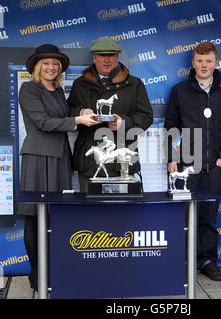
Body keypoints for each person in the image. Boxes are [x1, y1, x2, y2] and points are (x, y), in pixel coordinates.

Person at [18, 44, 99, 290]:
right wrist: (77, 119)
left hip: (60, 158)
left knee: (55, 217)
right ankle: (36, 273)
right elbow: (43, 122)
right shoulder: (29, 89)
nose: (51, 67)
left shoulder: (57, 91)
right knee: (34, 217)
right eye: (46, 63)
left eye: (55, 64)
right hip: (38, 158)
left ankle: (53, 268)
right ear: (36, 67)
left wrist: (81, 111)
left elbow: (64, 119)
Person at [164, 41, 221, 281]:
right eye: (199, 61)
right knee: (185, 217)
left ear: (216, 63)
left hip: (214, 166)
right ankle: (184, 260)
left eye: (208, 61)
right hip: (186, 166)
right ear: (192, 63)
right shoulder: (179, 91)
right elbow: (171, 127)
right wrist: (173, 158)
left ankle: (207, 260)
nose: (204, 65)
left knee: (209, 217)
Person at [67, 37, 153, 191]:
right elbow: (68, 111)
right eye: (102, 55)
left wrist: (123, 123)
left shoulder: (135, 84)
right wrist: (81, 113)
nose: (107, 60)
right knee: (90, 213)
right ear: (94, 58)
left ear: (117, 57)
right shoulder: (79, 84)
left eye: (111, 55)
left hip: (122, 163)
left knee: (121, 214)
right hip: (89, 164)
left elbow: (146, 117)